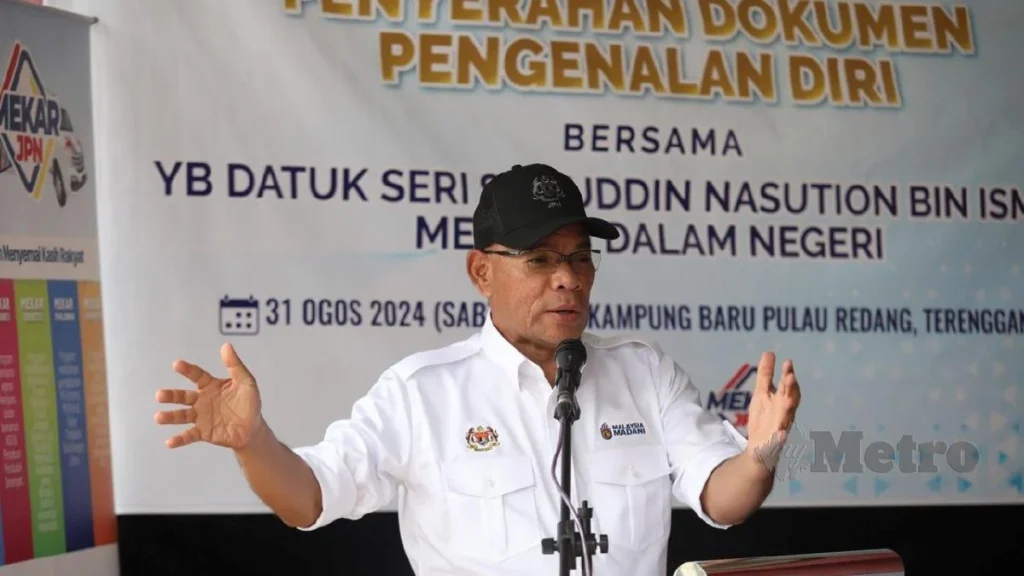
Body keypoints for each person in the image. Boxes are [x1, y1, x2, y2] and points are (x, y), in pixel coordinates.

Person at [155, 164, 802, 576]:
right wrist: (255, 443)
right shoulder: (423, 393)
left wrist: (761, 453)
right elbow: (310, 499)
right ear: (481, 271)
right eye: (540, 259)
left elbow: (724, 500)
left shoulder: (645, 373)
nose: (567, 279)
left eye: (580, 258)